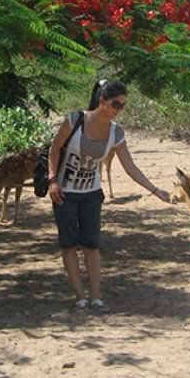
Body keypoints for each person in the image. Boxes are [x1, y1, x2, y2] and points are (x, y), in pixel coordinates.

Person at [47, 79, 172, 310]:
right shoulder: (74, 121)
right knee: (69, 245)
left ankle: (95, 296)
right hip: (64, 193)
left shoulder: (116, 133)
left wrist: (155, 191)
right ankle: (80, 297)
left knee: (91, 245)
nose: (119, 110)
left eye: (123, 105)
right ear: (102, 101)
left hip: (91, 194)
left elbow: (130, 167)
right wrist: (53, 180)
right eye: (116, 104)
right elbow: (54, 149)